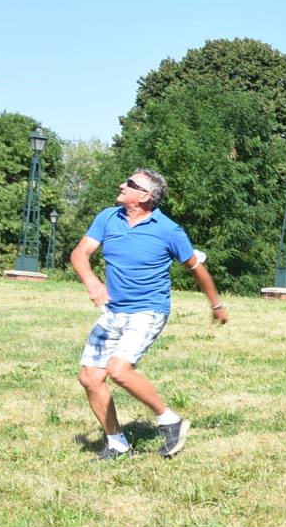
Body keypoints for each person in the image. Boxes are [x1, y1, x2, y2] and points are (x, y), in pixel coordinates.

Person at [72, 169, 228, 460]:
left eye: (130, 183)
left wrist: (216, 304)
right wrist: (93, 283)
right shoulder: (108, 217)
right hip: (114, 311)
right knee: (90, 377)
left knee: (119, 370)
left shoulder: (168, 230)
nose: (122, 184)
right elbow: (80, 254)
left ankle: (169, 420)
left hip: (148, 310)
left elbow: (196, 268)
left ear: (145, 196)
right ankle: (117, 443)